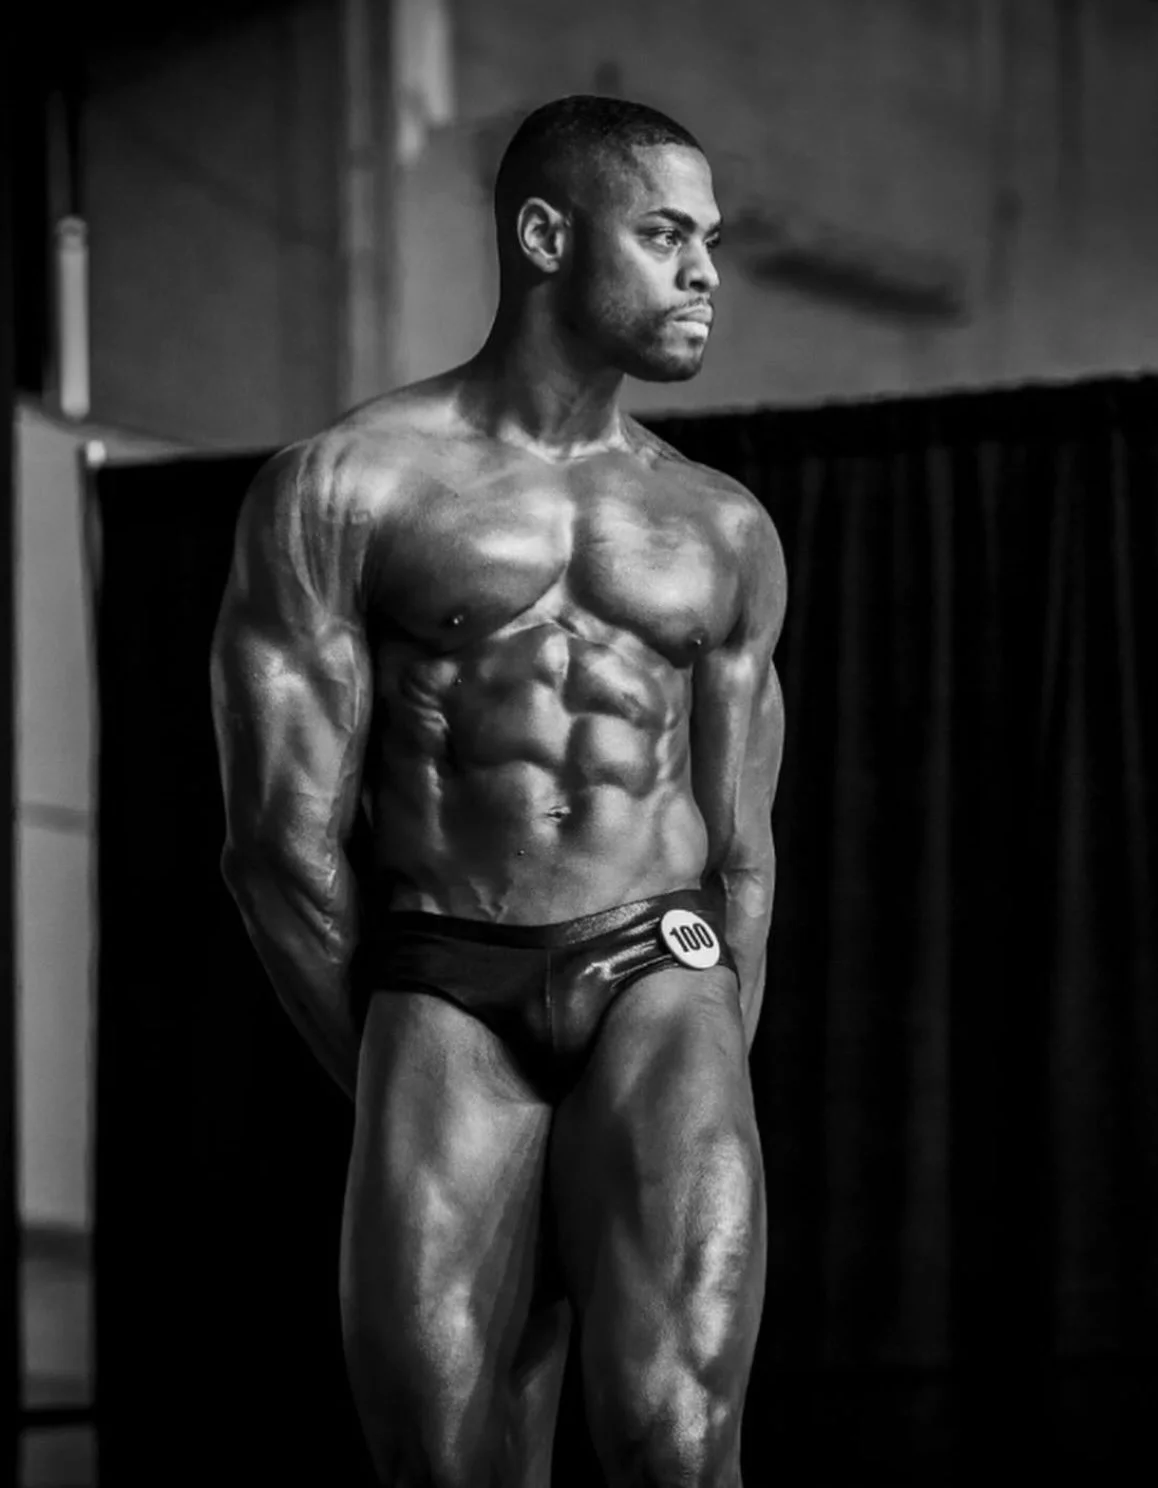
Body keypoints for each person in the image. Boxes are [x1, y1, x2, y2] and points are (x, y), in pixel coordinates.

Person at [211, 94, 787, 1488]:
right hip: (437, 984)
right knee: (450, 1467)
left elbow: (746, 853)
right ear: (545, 234)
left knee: (676, 1448)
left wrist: (702, 1049)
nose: (703, 270)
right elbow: (276, 852)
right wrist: (401, 1064)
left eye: (707, 240)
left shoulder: (721, 527)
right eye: (662, 235)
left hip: (661, 967)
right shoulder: (347, 487)